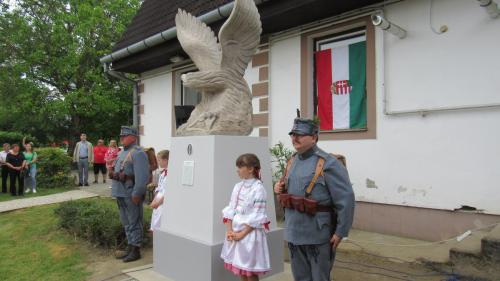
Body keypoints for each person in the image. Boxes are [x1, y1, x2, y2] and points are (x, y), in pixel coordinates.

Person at [273, 118, 355, 281]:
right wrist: (279, 189)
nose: (294, 138)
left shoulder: (329, 163)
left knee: (319, 278)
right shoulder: (292, 161)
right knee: (300, 277)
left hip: (318, 235)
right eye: (293, 134)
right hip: (294, 232)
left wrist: (340, 232)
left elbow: (346, 200)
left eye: (300, 135)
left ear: (314, 137)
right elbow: (290, 191)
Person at [221, 153, 271, 281]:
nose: (237, 170)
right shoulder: (238, 187)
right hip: (236, 233)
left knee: (250, 271)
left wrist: (242, 234)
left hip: (250, 235)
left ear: (250, 169)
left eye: (240, 166)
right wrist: (230, 231)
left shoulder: (258, 189)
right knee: (241, 269)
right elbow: (230, 209)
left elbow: (258, 216)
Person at [111, 126, 149, 262]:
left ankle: (136, 249)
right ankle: (130, 246)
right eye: (121, 136)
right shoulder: (122, 152)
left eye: (124, 136)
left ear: (133, 137)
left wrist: (137, 193)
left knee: (134, 222)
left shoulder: (138, 153)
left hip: (131, 193)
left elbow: (142, 177)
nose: (121, 138)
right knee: (126, 222)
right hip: (120, 193)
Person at [149, 150, 169, 232]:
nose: (158, 162)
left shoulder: (172, 174)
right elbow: (159, 188)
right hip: (158, 202)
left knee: (160, 228)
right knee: (154, 227)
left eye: (159, 160)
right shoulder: (163, 173)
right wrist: (154, 200)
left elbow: (168, 192)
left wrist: (157, 203)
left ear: (166, 160)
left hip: (164, 204)